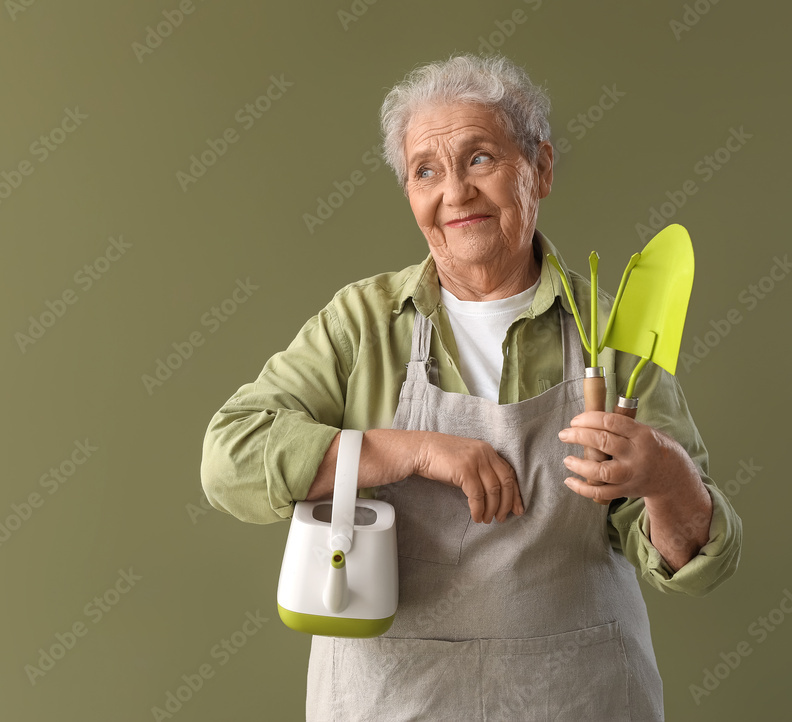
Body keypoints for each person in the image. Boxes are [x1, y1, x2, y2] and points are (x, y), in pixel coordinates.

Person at [200, 53, 741, 720]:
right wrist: (410, 450)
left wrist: (665, 476)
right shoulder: (362, 324)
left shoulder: (614, 333)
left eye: (480, 158)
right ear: (410, 194)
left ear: (539, 168)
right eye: (426, 170)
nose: (454, 192)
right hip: (394, 699)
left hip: (576, 698)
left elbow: (701, 562)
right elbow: (229, 458)